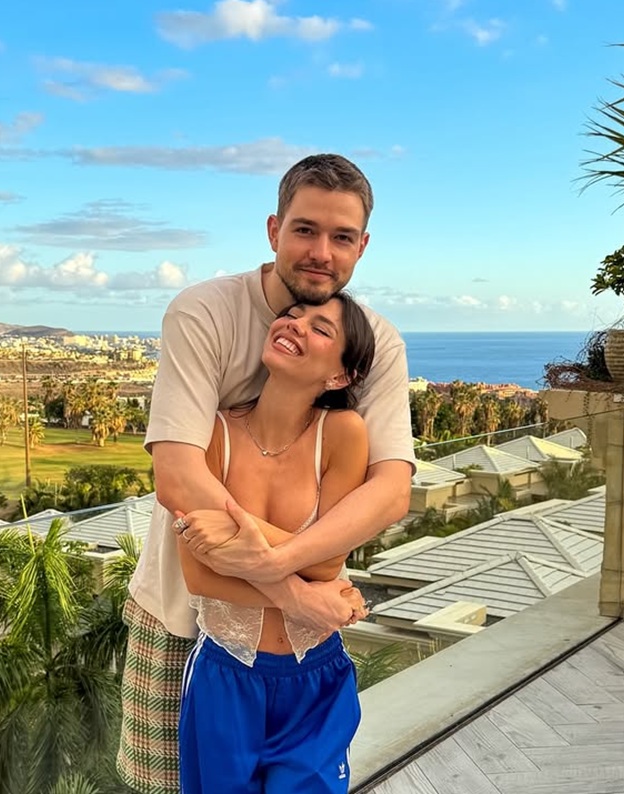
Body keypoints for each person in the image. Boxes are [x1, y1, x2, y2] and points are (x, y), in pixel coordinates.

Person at [118, 154, 415, 794]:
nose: (321, 252)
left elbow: (391, 490)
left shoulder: (374, 345)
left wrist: (280, 569)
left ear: (362, 246)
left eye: (341, 236)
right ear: (274, 229)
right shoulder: (205, 312)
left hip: (301, 644)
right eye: (305, 229)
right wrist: (297, 592)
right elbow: (177, 478)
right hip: (183, 613)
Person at [176, 292, 374, 793]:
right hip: (226, 673)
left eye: (321, 328)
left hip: (316, 676)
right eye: (292, 315)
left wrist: (235, 530)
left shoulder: (342, 434)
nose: (295, 325)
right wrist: (303, 595)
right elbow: (198, 575)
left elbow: (327, 562)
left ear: (340, 376)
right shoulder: (213, 434)